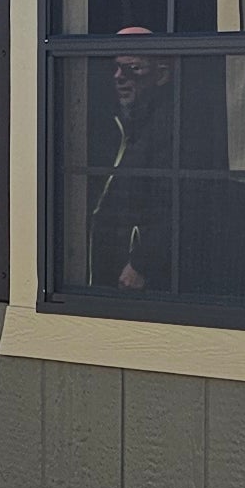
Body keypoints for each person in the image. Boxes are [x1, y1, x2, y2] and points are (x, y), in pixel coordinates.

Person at [87, 28, 174, 292]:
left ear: (161, 74)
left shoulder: (169, 127)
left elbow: (178, 204)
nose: (119, 77)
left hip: (136, 272)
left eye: (133, 68)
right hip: (101, 259)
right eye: (116, 68)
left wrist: (142, 263)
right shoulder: (111, 123)